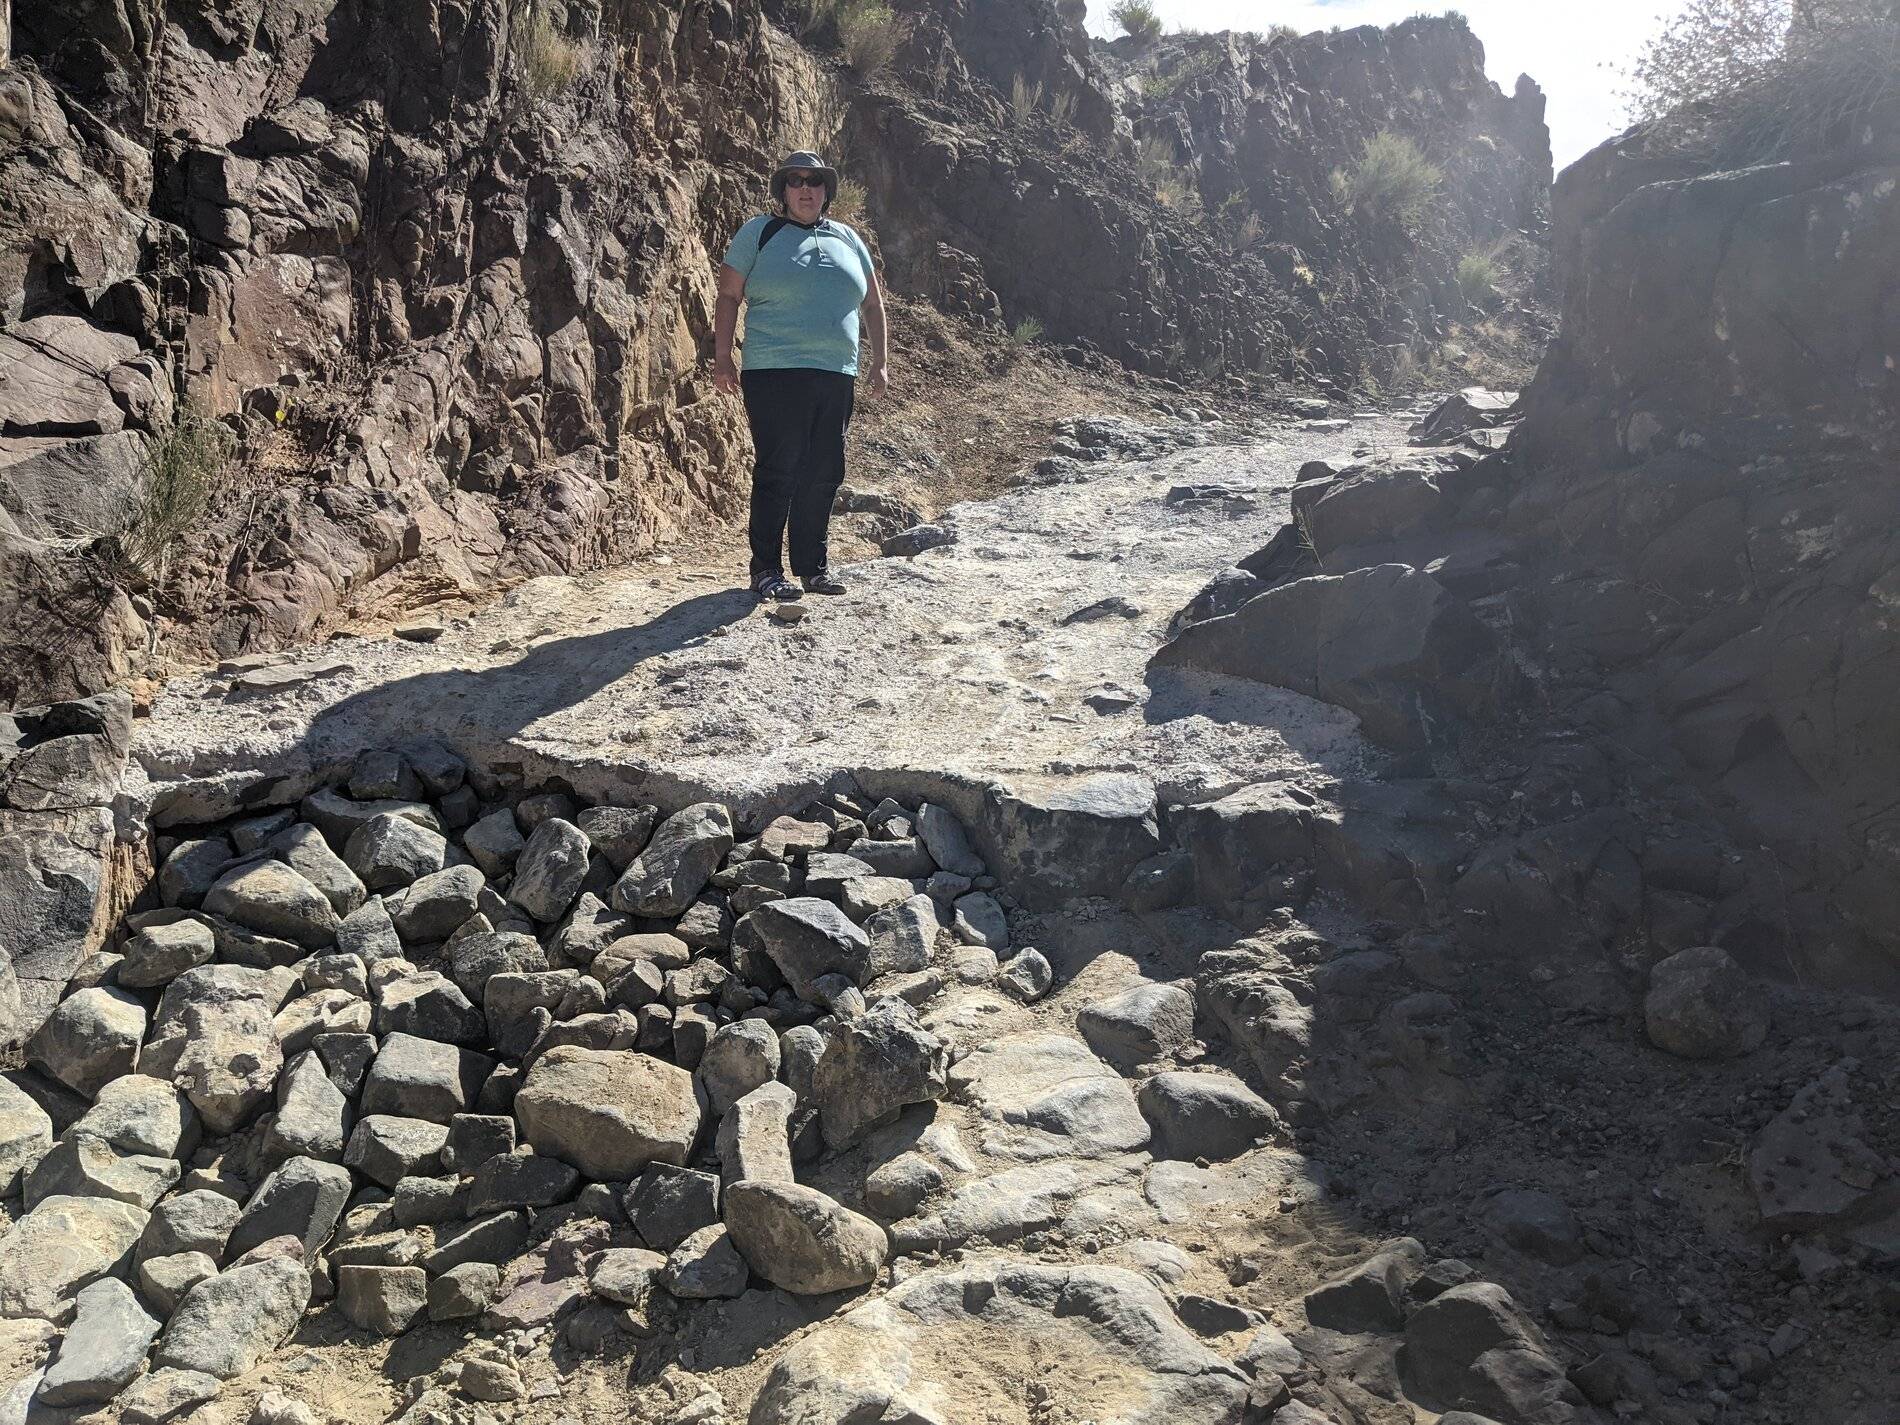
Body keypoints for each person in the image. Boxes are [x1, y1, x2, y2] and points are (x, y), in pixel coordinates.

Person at [713, 150, 889, 602]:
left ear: (827, 190)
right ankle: (767, 569)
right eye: (796, 180)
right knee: (780, 468)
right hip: (773, 371)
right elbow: (729, 296)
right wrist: (723, 359)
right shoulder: (759, 232)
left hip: (835, 372)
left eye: (815, 180)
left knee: (824, 470)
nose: (806, 188)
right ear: (783, 190)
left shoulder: (849, 238)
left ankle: (813, 568)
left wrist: (880, 362)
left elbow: (872, 304)